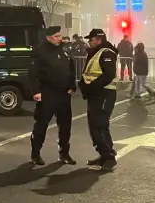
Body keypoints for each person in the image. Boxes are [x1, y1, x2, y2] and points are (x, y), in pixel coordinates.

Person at [27, 25, 77, 166]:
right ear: (48, 37)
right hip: (48, 93)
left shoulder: (64, 49)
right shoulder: (40, 51)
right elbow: (32, 73)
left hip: (64, 94)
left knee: (65, 125)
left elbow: (71, 69)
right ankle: (35, 154)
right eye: (56, 36)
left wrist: (72, 86)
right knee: (41, 125)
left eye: (60, 36)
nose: (59, 39)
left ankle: (64, 153)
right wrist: (36, 91)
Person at [79, 28, 119, 171]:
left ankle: (108, 157)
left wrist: (90, 88)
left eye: (91, 39)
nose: (89, 42)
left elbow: (108, 75)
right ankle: (104, 155)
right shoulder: (96, 52)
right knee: (96, 125)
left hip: (103, 94)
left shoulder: (106, 53)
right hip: (96, 94)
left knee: (99, 125)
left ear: (98, 40)